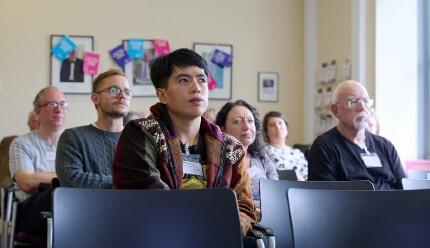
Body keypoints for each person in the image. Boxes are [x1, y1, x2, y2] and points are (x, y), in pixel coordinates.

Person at [112, 48, 256, 235]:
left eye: (202, 80)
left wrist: (233, 226)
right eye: (184, 80)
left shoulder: (229, 146)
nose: (196, 87)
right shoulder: (140, 133)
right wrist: (214, 223)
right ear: (162, 94)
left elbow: (244, 205)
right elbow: (148, 201)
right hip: (155, 238)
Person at [308, 80, 405, 189]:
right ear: (336, 111)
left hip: (393, 204)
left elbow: (405, 189)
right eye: (353, 101)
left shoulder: (385, 146)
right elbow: (325, 198)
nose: (362, 108)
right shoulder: (324, 147)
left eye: (366, 101)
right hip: (351, 205)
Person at [9, 86, 68, 241]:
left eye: (63, 104)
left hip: (70, 205)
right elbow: (27, 182)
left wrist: (41, 177)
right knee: (57, 191)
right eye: (52, 104)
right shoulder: (21, 143)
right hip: (31, 209)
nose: (59, 109)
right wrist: (65, 176)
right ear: (37, 111)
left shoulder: (74, 143)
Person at [56, 69, 131, 188]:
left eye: (127, 92)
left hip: (135, 205)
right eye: (113, 90)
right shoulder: (73, 137)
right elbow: (72, 179)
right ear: (95, 98)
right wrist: (125, 183)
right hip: (89, 206)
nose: (122, 96)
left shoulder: (140, 139)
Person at [215, 100, 278, 210]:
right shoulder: (216, 161)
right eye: (237, 121)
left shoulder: (262, 158)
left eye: (250, 121)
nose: (247, 126)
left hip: (267, 218)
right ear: (223, 129)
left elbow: (277, 195)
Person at [262, 111, 308, 180]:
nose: (277, 127)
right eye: (272, 125)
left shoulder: (298, 153)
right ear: (266, 132)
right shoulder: (263, 152)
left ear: (286, 128)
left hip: (301, 189)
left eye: (280, 123)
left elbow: (306, 178)